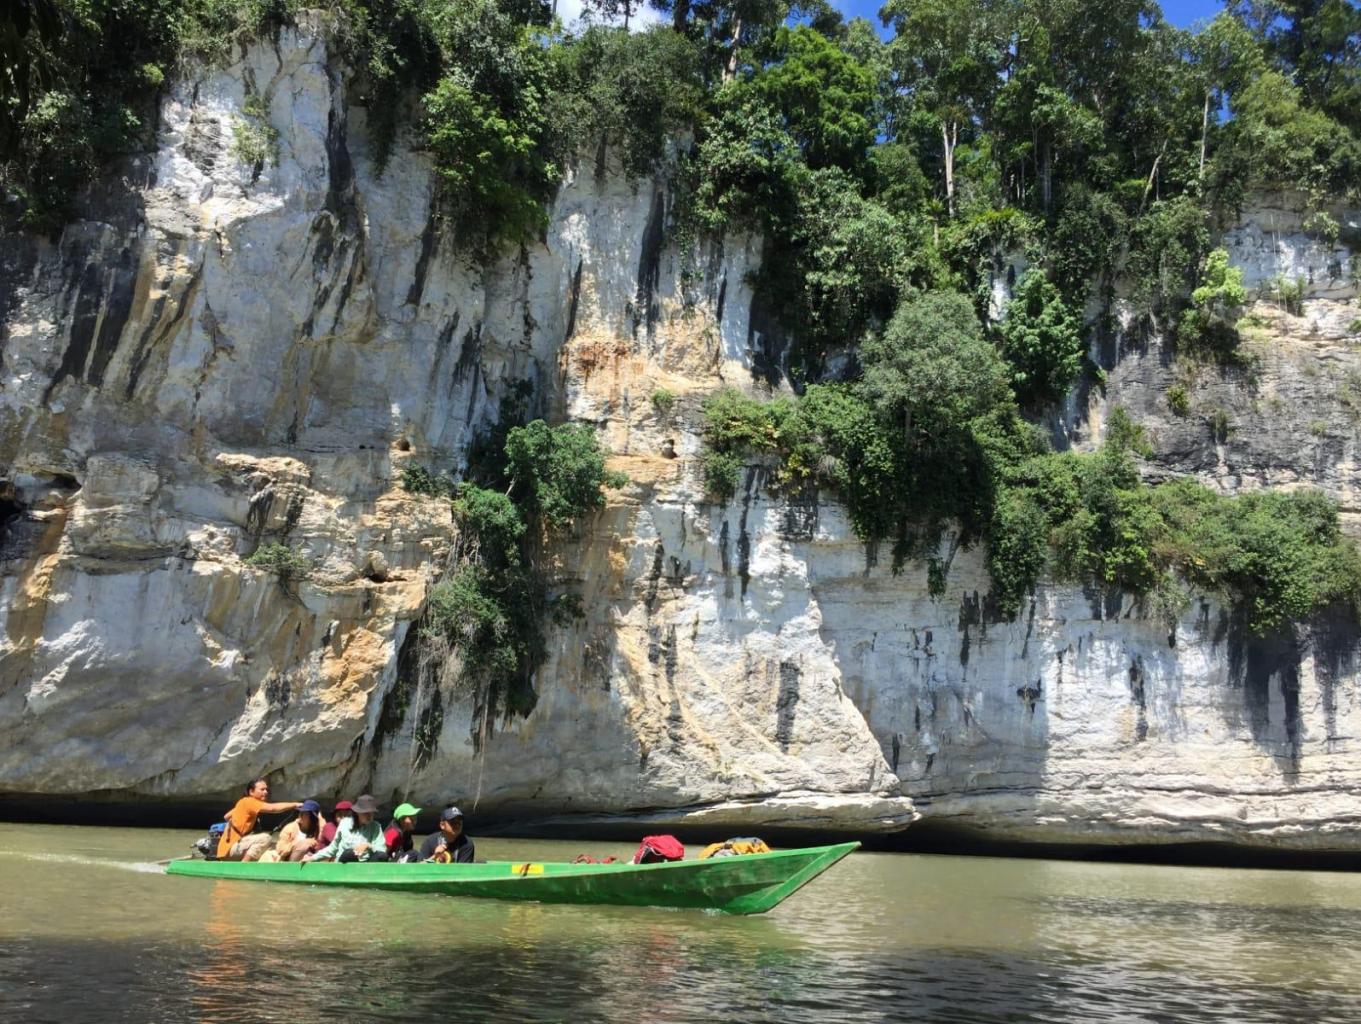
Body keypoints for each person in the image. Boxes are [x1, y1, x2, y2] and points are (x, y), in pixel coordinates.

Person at [217, 778, 303, 861]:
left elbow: (226, 816)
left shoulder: (243, 803)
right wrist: (295, 805)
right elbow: (273, 808)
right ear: (251, 792)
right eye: (262, 789)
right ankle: (244, 865)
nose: (265, 792)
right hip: (230, 849)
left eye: (266, 789)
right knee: (265, 838)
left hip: (226, 850)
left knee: (272, 846)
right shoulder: (249, 802)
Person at [306, 794, 387, 863]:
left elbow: (382, 849)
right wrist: (312, 858)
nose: (369, 816)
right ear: (357, 813)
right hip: (345, 862)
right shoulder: (344, 824)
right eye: (366, 813)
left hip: (365, 864)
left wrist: (368, 846)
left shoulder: (376, 826)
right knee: (350, 853)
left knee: (382, 856)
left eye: (371, 813)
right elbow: (333, 848)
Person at [260, 800, 326, 862]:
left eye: (304, 813)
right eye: (300, 812)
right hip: (290, 862)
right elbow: (280, 850)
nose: (300, 816)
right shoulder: (290, 828)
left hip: (310, 860)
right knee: (305, 844)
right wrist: (295, 844)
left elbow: (324, 843)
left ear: (312, 817)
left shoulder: (317, 829)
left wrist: (320, 819)